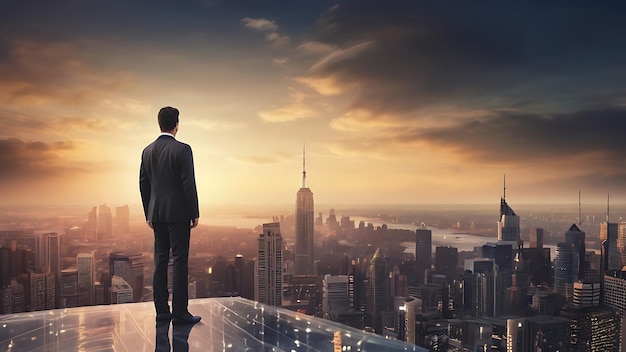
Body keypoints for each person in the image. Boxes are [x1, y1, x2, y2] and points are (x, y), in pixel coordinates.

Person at [140, 106, 201, 325]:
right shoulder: (183, 150)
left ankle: (161, 310)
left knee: (160, 261)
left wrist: (149, 212)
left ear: (159, 124)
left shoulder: (147, 151)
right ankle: (180, 312)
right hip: (178, 214)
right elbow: (188, 183)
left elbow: (143, 185)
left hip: (156, 213)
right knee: (179, 261)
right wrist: (194, 212)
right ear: (177, 124)